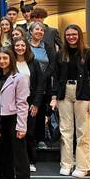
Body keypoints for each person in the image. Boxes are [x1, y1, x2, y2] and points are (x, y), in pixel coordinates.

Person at [51, 24, 90, 178]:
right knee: (65, 130)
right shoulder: (60, 54)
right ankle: (66, 163)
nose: (71, 37)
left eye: (74, 34)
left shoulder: (89, 54)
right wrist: (54, 97)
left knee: (83, 131)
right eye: (68, 35)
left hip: (83, 94)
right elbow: (56, 77)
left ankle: (83, 165)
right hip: (64, 93)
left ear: (79, 35)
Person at [0, 47, 31, 179]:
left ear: (11, 59)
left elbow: (23, 104)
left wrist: (21, 126)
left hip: (14, 119)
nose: (2, 61)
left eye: (5, 58)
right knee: (5, 156)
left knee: (19, 157)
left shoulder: (20, 77)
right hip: (0, 120)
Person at [12, 38, 45, 173]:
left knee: (29, 133)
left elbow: (40, 84)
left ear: (26, 47)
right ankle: (16, 161)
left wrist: (36, 103)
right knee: (15, 133)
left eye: (22, 45)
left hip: (30, 102)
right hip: (13, 103)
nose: (20, 48)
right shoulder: (10, 62)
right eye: (17, 45)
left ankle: (31, 161)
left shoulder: (33, 62)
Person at [29, 22, 56, 151]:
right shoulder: (25, 46)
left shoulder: (48, 47)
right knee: (30, 114)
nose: (39, 32)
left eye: (42, 30)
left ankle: (40, 139)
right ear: (31, 31)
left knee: (40, 113)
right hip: (28, 84)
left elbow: (52, 65)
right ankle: (29, 140)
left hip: (44, 84)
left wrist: (42, 77)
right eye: (37, 29)